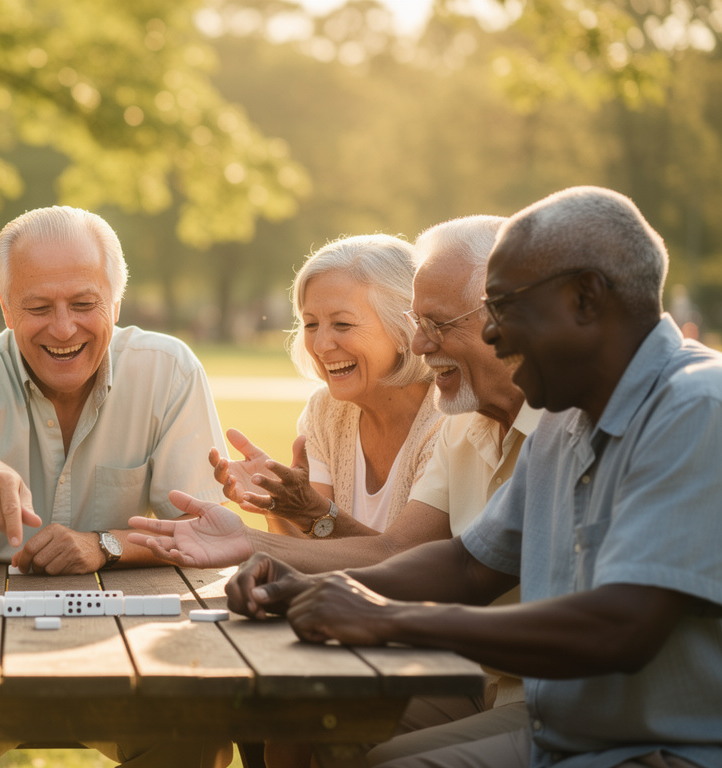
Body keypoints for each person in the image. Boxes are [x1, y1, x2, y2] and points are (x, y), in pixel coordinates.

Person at [228, 186, 722, 768]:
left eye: (504, 308)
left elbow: (620, 627)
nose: (492, 334)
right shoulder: (568, 418)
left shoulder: (696, 408)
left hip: (664, 749)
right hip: (562, 727)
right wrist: (305, 586)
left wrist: (387, 617)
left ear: (585, 298)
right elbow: (469, 565)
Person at [0, 205, 230, 767]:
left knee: (196, 729)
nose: (64, 329)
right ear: (5, 308)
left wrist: (103, 545)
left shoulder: (168, 370)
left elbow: (203, 532)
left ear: (116, 302)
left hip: (127, 634)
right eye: (39, 308)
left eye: (85, 304)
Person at [212, 235, 441, 539]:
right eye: (310, 324)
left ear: (404, 329)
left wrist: (311, 511)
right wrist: (277, 505)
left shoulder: (447, 421)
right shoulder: (325, 412)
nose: (320, 346)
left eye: (342, 324)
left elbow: (408, 557)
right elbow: (312, 546)